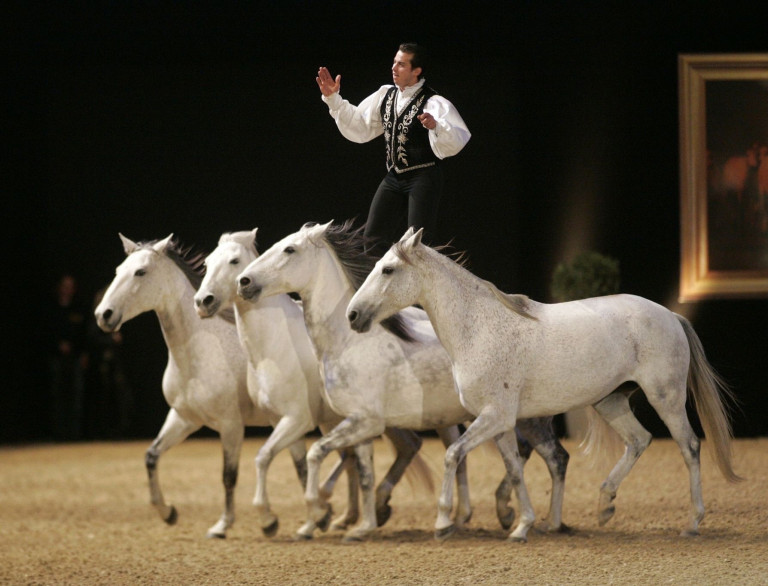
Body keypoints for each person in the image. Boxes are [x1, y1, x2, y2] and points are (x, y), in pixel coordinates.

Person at [317, 42, 471, 254]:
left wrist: (436, 125)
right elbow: (360, 125)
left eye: (401, 64)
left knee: (419, 246)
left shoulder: (433, 102)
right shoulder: (386, 95)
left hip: (423, 177)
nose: (394, 68)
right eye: (394, 62)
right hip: (394, 177)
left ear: (416, 71)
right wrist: (333, 99)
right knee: (371, 240)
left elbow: (457, 138)